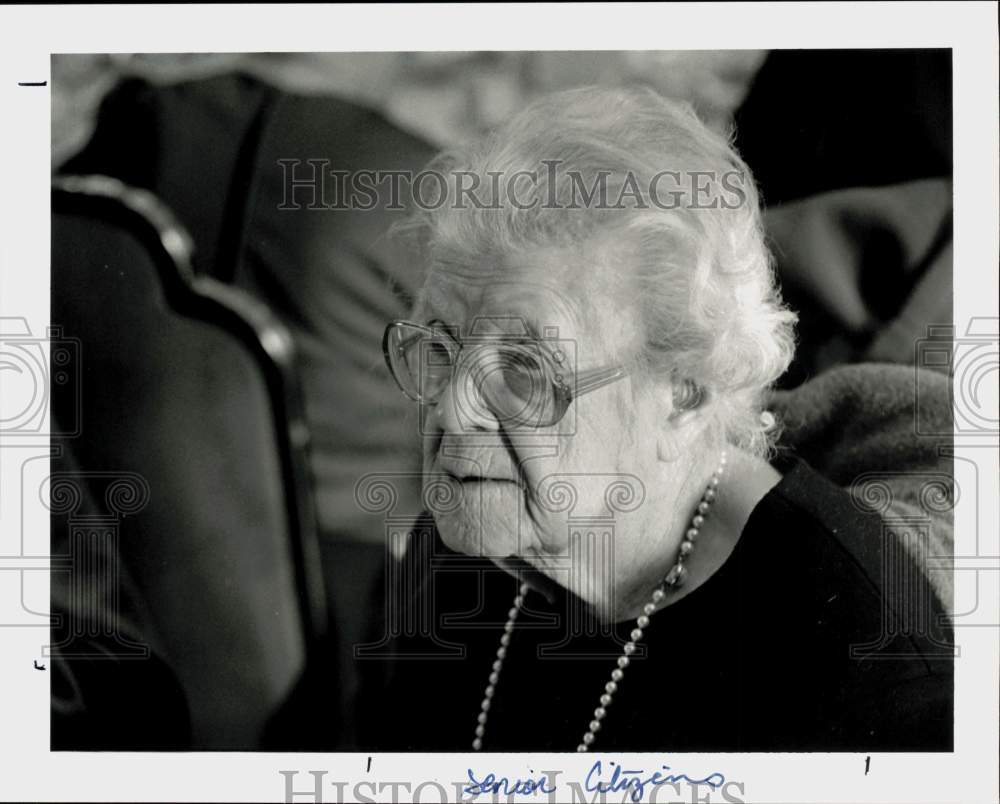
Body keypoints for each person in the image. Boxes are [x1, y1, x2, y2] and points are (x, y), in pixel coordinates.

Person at [369, 86, 952, 752]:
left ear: (684, 392)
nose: (451, 411)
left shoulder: (860, 655)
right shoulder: (453, 550)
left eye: (524, 369)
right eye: (441, 349)